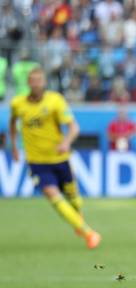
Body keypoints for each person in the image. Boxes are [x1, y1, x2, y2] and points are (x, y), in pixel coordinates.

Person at [9, 67, 101, 249]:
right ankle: (89, 233)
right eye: (33, 80)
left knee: (74, 198)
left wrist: (66, 142)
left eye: (39, 80)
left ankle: (77, 219)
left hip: (60, 158)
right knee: (54, 196)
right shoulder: (17, 104)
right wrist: (14, 147)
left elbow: (74, 127)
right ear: (28, 83)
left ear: (44, 83)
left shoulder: (55, 101)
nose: (36, 83)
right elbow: (12, 124)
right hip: (37, 162)